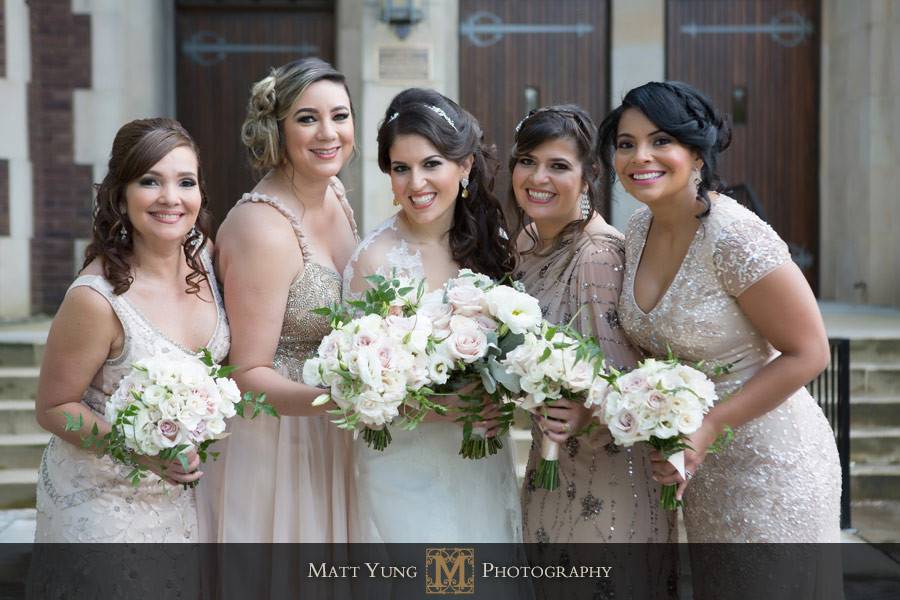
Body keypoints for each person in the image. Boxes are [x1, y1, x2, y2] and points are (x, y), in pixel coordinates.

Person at [598, 81, 842, 597]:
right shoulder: (639, 228)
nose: (640, 156)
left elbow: (810, 351)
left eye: (661, 140)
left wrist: (709, 427)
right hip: (700, 468)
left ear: (697, 152)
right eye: (626, 143)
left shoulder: (734, 236)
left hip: (770, 463)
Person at [29, 117, 226, 593]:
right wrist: (139, 450)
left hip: (180, 505)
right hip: (100, 508)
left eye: (185, 182)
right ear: (120, 196)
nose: (170, 198)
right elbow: (54, 409)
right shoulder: (96, 300)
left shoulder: (208, 262)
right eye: (149, 181)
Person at [510, 105, 676, 598]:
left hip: (607, 478)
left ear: (588, 178)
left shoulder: (598, 254)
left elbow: (630, 385)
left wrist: (586, 410)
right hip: (550, 469)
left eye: (558, 166)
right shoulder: (525, 243)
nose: (538, 178)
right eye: (527, 160)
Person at [343, 88, 521, 543]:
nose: (415, 183)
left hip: (481, 458)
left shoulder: (487, 241)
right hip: (408, 467)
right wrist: (440, 407)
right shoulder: (376, 260)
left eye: (430, 164)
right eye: (401, 168)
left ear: (464, 167)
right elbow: (352, 389)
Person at [213, 57, 358, 544]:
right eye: (307, 118)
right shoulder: (262, 227)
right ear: (277, 129)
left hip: (337, 431)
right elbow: (246, 373)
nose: (328, 132)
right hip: (279, 442)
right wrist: (339, 401)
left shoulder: (336, 194)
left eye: (339, 115)